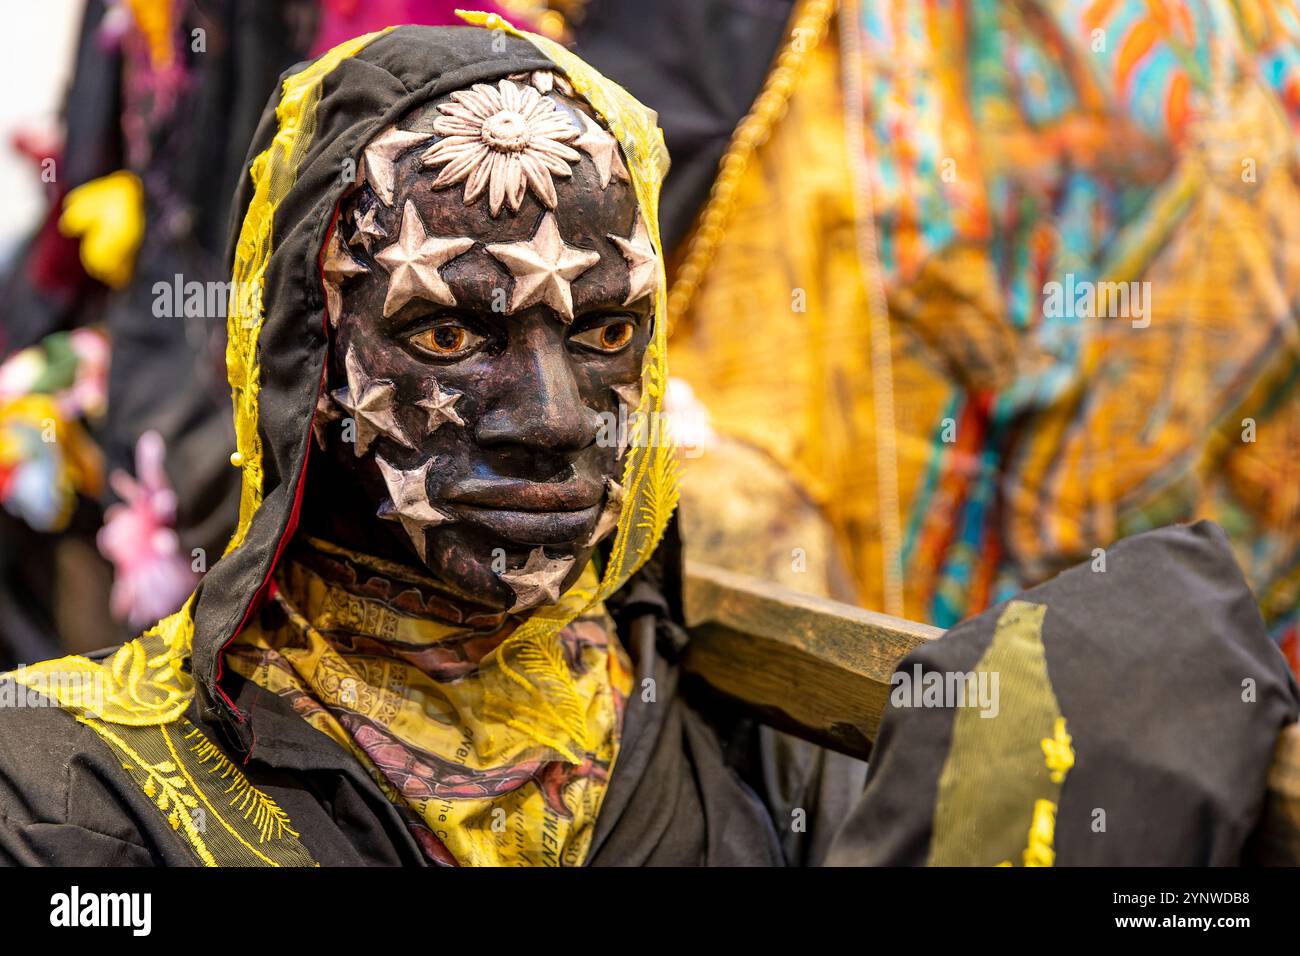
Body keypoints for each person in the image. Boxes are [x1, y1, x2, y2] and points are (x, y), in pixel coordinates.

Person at [0, 18, 1291, 868]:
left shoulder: (756, 745)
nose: (559, 421)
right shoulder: (68, 796)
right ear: (302, 362)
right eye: (450, 337)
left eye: (610, 330)